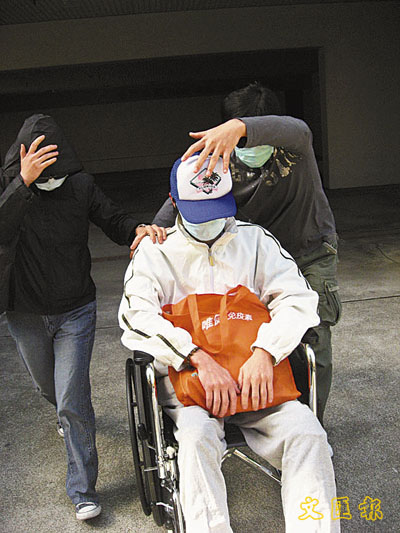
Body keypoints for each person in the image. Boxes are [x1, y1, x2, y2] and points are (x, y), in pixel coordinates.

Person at [119, 154, 339, 532]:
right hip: (194, 389)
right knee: (196, 439)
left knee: (308, 434)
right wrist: (195, 357)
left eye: (216, 209)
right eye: (198, 212)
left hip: (258, 381)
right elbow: (135, 316)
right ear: (175, 203)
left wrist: (265, 352)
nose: (209, 222)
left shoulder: (256, 242)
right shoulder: (156, 253)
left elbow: (298, 299)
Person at [0, 114, 166, 520]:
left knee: (73, 400)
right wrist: (22, 184)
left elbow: (113, 218)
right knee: (50, 390)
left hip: (75, 309)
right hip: (26, 312)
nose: (51, 181)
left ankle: (82, 491)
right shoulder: (9, 188)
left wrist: (138, 229)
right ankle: (66, 417)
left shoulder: (80, 186)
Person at [152, 82, 342, 425]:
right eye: (240, 142)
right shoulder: (219, 154)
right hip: (257, 260)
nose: (249, 148)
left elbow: (297, 128)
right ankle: (268, 412)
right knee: (251, 334)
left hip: (308, 252)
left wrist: (241, 129)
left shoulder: (294, 145)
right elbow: (186, 193)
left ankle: (313, 423)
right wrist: (154, 229)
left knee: (314, 338)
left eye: (251, 137)